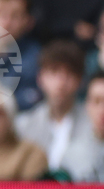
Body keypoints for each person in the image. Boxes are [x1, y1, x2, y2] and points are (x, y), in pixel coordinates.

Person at [16, 41, 92, 174]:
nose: (61, 82)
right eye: (54, 71)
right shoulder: (23, 125)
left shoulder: (93, 124)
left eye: (69, 73)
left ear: (80, 81)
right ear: (40, 78)